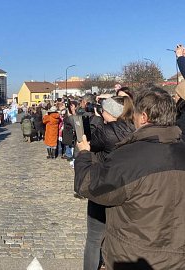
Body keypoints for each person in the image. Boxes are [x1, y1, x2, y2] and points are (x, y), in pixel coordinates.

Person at [74, 86, 185, 269]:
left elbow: (89, 184)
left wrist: (84, 154)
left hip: (134, 256)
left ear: (143, 117)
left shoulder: (128, 156)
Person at [83, 96, 135, 270]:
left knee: (94, 238)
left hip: (104, 185)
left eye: (104, 109)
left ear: (110, 113)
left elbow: (89, 142)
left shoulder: (106, 131)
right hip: (128, 185)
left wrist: (97, 120)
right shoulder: (134, 128)